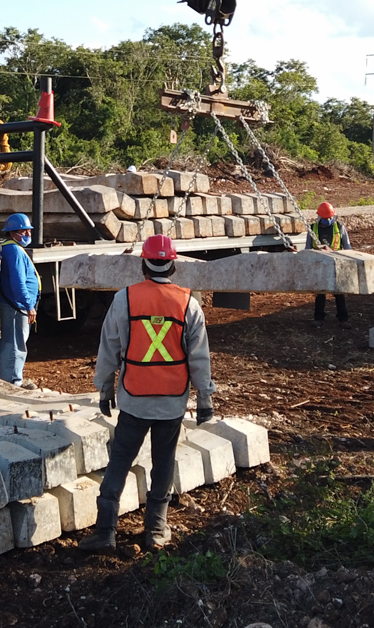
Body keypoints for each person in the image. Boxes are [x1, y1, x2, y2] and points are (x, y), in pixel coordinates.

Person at [81, 234, 216, 551]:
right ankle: (156, 529)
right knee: (163, 462)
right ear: (173, 264)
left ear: (143, 263)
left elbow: (109, 348)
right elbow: (199, 357)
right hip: (171, 400)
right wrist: (206, 398)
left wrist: (104, 387)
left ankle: (105, 531)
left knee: (119, 461)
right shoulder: (188, 304)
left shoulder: (124, 299)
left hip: (134, 397)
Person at [0, 212, 41, 389]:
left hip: (14, 305)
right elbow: (18, 282)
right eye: (23, 232)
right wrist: (29, 305)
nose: (28, 235)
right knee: (15, 344)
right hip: (16, 306)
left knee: (14, 341)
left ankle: (12, 378)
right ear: (12, 232)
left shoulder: (10, 248)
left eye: (29, 231)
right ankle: (13, 383)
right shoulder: (14, 250)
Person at [307, 201, 352, 329]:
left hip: (336, 264)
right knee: (320, 293)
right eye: (326, 218)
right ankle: (318, 318)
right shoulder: (313, 228)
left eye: (330, 217)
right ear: (320, 217)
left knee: (339, 293)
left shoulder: (339, 227)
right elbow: (308, 248)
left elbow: (348, 248)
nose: (329, 220)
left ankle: (343, 319)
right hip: (320, 265)